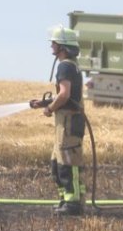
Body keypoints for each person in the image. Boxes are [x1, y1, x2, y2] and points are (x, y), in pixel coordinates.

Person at [31, 26, 86, 215]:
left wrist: (49, 108)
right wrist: (43, 102)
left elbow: (64, 95)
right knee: (58, 164)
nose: (51, 46)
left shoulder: (65, 66)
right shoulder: (71, 65)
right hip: (65, 122)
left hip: (69, 122)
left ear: (62, 46)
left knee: (69, 163)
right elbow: (66, 97)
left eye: (53, 43)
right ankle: (65, 200)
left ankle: (73, 204)